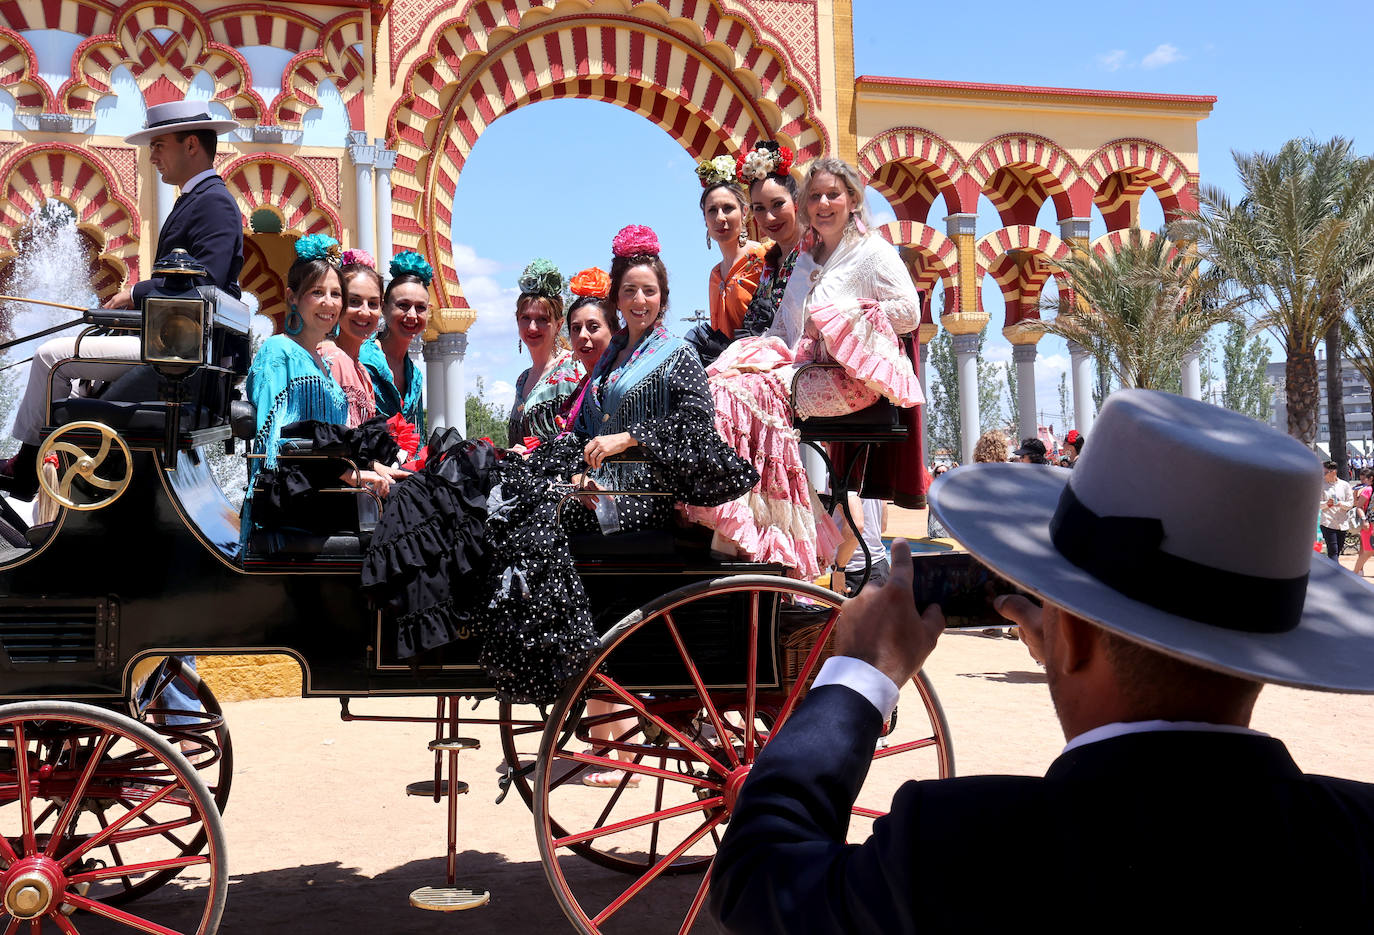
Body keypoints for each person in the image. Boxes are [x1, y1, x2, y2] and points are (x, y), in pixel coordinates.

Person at [711, 389, 1374, 934]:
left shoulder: (950, 848)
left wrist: (858, 676)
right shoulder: (1357, 835)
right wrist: (1072, 642)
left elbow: (757, 875)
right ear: (1263, 651)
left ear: (1076, 637)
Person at [688, 156, 924, 577]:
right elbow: (782, 328)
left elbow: (909, 313)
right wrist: (753, 355)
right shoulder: (807, 257)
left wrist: (851, 314)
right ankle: (744, 520)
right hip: (801, 368)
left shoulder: (871, 252)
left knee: (752, 393)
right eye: (815, 196)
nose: (823, 203)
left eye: (833, 194)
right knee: (720, 386)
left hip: (848, 377)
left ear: (852, 199)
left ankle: (770, 535)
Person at [0, 100, 244, 500]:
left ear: (192, 146)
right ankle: (55, 469)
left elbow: (208, 282)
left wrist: (134, 292)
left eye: (160, 144)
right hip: (172, 348)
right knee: (73, 374)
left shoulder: (212, 201)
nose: (154, 156)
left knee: (50, 357)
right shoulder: (199, 198)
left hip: (179, 356)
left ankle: (25, 469)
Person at [571, 224, 758, 535]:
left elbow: (697, 423)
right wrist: (580, 477)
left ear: (663, 298)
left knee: (546, 517)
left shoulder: (678, 354)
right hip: (595, 489)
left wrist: (629, 437)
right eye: (629, 290)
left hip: (644, 493)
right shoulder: (609, 357)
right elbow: (581, 435)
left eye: (649, 290)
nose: (639, 300)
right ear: (616, 298)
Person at [241, 236, 396, 545]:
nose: (329, 303)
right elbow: (276, 443)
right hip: (297, 505)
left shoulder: (321, 363)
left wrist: (371, 467)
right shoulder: (279, 351)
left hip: (330, 498)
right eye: (317, 292)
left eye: (336, 294)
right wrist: (353, 475)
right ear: (293, 297)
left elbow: (330, 441)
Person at [507, 259, 582, 443]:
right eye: (526, 318)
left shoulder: (573, 370)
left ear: (559, 324)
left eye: (542, 319)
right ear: (517, 321)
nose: (532, 327)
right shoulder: (522, 379)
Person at [360, 253, 430, 440]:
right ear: (384, 307)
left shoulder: (415, 376)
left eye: (421, 307)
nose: (412, 315)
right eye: (403, 305)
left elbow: (416, 438)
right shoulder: (361, 361)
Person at [736, 141, 801, 337]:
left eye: (778, 204)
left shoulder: (819, 253)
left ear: (797, 202)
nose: (769, 217)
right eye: (760, 208)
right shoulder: (769, 265)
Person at [319, 250, 382, 428]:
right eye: (354, 301)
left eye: (372, 304)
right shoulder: (333, 358)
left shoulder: (360, 368)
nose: (364, 312)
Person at [558, 267, 614, 434]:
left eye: (593, 327)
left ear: (615, 330)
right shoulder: (583, 386)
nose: (582, 335)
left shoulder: (616, 385)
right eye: (576, 328)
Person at [831, 494, 889, 595]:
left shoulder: (841, 478)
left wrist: (839, 569)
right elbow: (883, 525)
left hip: (853, 572)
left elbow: (855, 526)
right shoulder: (876, 478)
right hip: (880, 567)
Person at [1319, 459, 1355, 561]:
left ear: (1333, 472)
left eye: (1325, 472)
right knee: (1333, 551)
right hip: (1327, 523)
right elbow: (1316, 504)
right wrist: (1326, 504)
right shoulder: (1321, 485)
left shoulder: (1344, 485)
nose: (1323, 475)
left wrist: (1341, 504)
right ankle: (1335, 574)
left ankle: (1330, 571)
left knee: (1337, 551)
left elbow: (1350, 503)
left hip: (1342, 523)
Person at [1355, 467, 1373, 576]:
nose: (1362, 482)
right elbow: (1358, 506)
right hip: (1368, 523)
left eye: (1363, 479)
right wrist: (1364, 520)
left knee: (1366, 550)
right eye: (1361, 479)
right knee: (1367, 551)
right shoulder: (1367, 490)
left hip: (1368, 523)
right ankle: (1357, 571)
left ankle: (1357, 571)